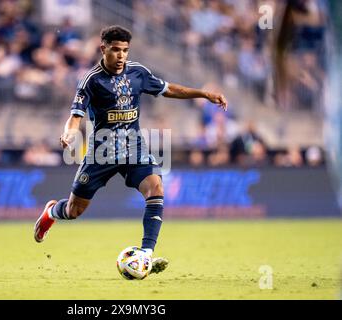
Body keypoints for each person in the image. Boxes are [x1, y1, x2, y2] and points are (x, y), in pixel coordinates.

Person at [33, 26, 227, 276]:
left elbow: (170, 89)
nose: (121, 55)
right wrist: (70, 133)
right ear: (103, 49)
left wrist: (204, 94)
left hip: (134, 148)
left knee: (156, 187)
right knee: (73, 211)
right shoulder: (92, 80)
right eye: (115, 49)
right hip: (101, 153)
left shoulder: (138, 73)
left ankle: (146, 254)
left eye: (125, 50)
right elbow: (75, 116)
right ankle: (50, 212)